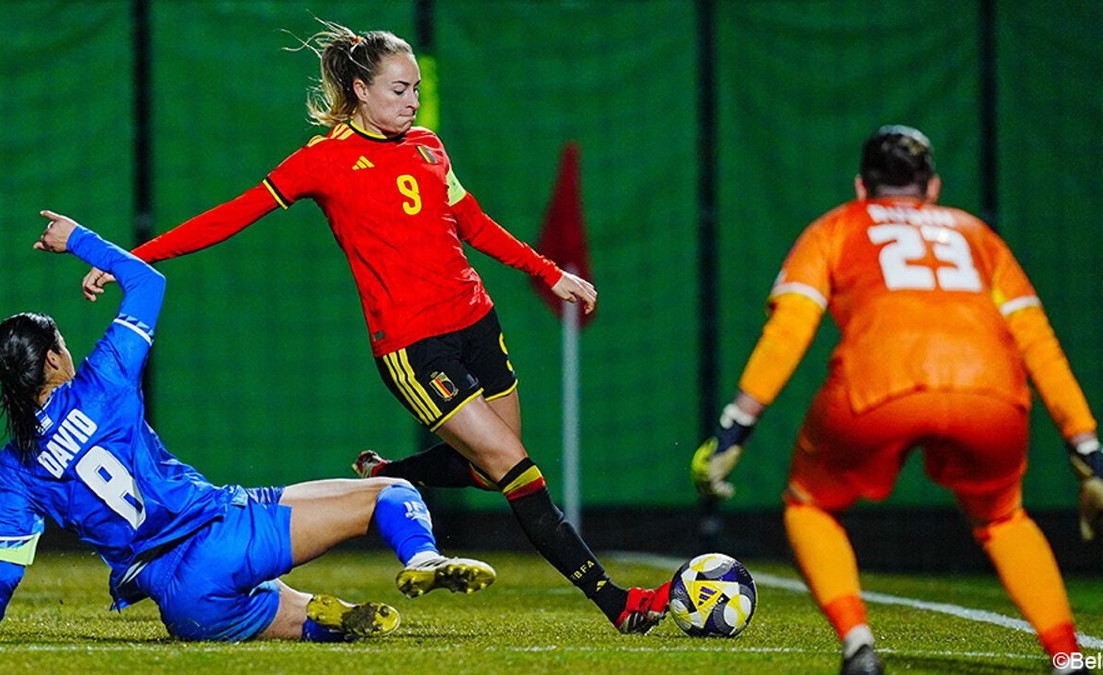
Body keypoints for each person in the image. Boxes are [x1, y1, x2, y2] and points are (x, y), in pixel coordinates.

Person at [79, 21, 668, 634]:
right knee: (518, 470)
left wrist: (548, 273)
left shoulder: (429, 146)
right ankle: (617, 602)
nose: (411, 101)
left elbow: (474, 223)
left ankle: (392, 477)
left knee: (487, 471)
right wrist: (130, 258)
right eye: (398, 90)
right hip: (415, 347)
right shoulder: (324, 159)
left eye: (416, 89)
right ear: (360, 90)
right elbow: (230, 217)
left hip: (477, 320)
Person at [691, 126, 1103, 675]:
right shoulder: (978, 236)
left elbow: (789, 330)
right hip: (989, 390)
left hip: (878, 386)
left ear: (860, 187)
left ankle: (858, 646)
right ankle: (1068, 658)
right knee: (1004, 518)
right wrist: (1090, 459)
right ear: (933, 187)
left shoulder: (838, 226)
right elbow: (1040, 345)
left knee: (810, 505)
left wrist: (735, 431)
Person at [0, 211, 494, 644]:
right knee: (390, 492)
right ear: (53, 360)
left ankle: (321, 619)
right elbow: (147, 282)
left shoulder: (16, 464)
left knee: (262, 605)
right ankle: (423, 556)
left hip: (183, 607)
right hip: (220, 538)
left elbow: (6, 569)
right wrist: (80, 239)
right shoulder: (102, 381)